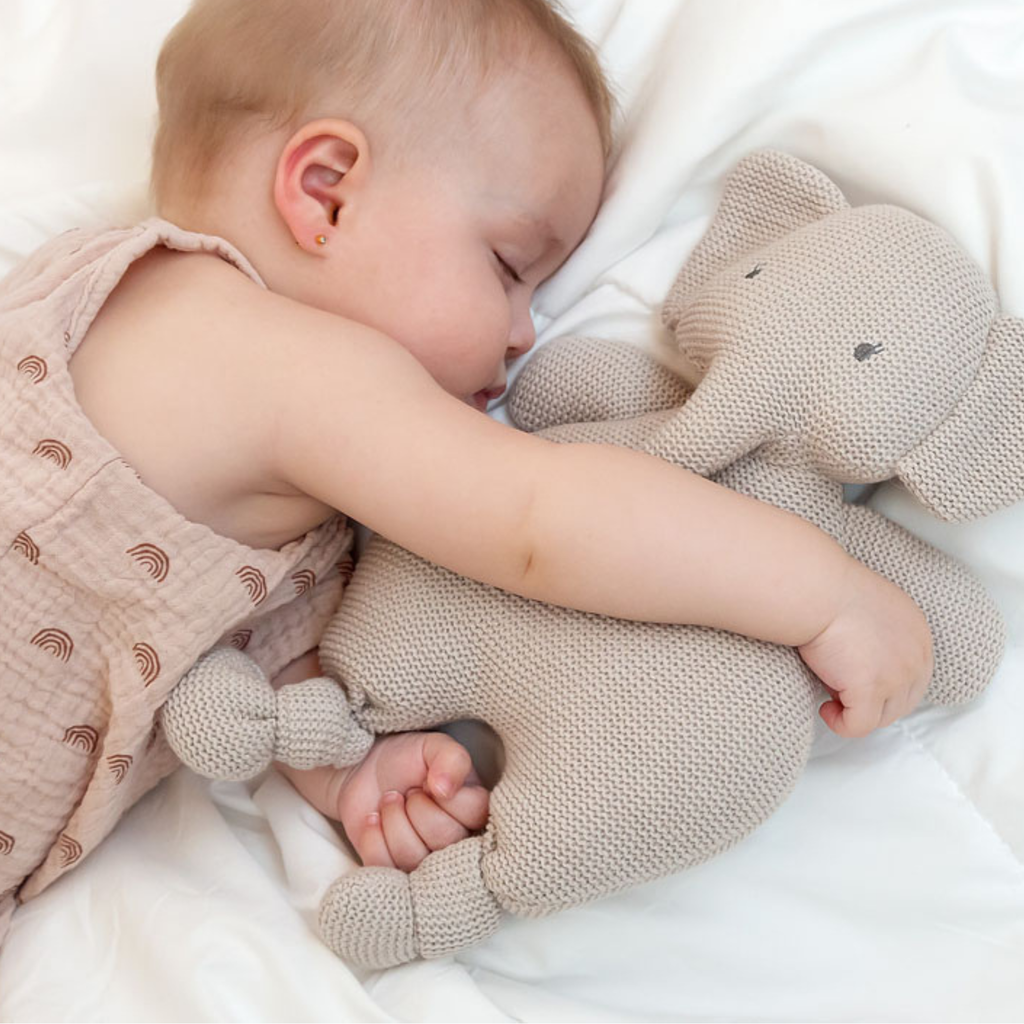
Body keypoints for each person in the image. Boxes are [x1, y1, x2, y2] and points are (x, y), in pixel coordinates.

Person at [0, 0, 933, 939]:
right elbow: (538, 519)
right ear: (326, 192)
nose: (525, 332)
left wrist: (351, 771)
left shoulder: (108, 305)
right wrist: (822, 590)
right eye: (507, 265)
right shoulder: (294, 364)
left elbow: (247, 662)